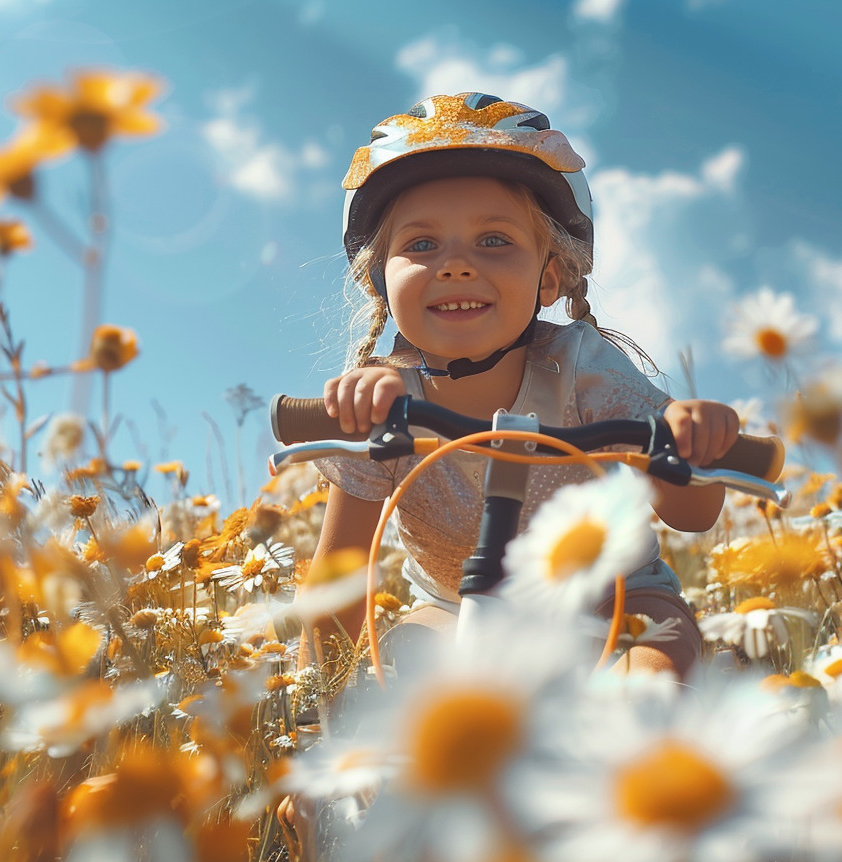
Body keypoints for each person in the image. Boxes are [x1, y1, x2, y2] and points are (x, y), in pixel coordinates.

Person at [307, 91, 742, 678]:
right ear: (379, 282)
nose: (457, 264)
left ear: (549, 278)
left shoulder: (584, 370)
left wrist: (688, 444)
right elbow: (341, 568)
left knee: (655, 669)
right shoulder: (383, 401)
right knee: (398, 679)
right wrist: (311, 700)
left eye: (494, 241)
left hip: (611, 595)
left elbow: (694, 513)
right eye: (421, 244)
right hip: (453, 604)